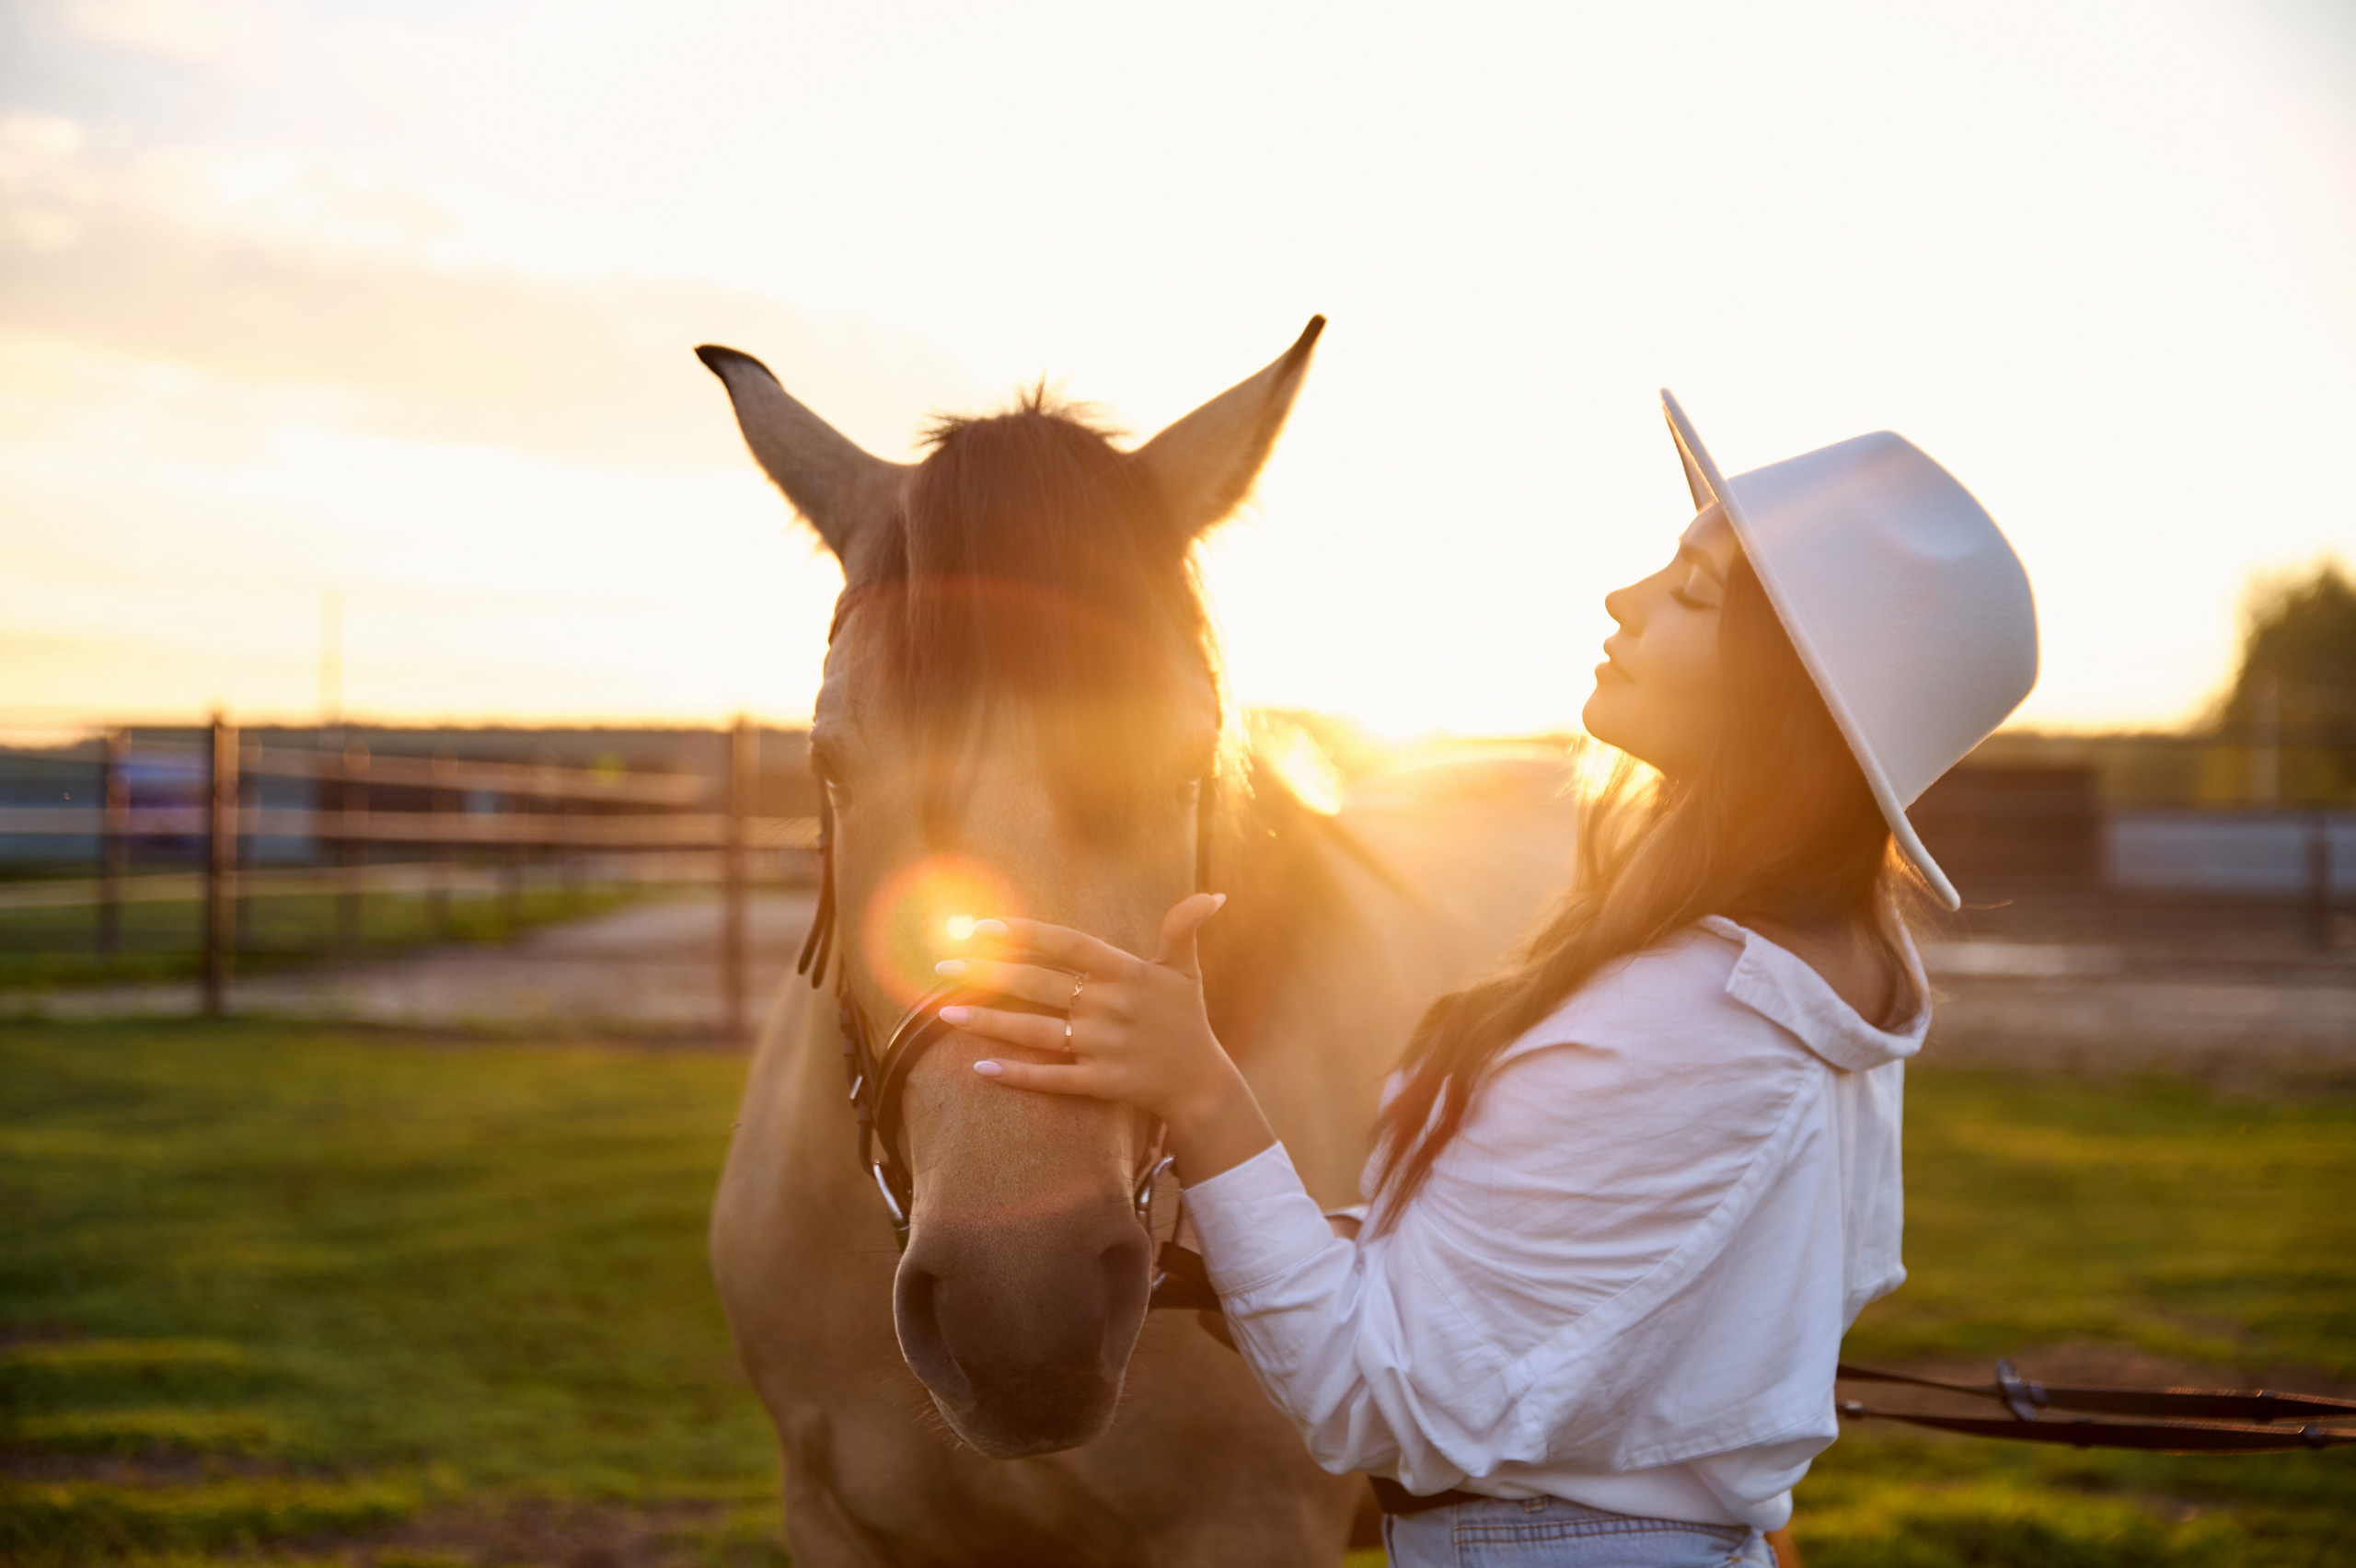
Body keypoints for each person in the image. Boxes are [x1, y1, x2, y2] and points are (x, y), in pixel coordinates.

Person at [935, 391, 2038, 1566]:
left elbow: (1376, 1404)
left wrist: (1198, 1089)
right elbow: (1566, 1297)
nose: (1627, 600)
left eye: (1693, 591)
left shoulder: (1680, 1029)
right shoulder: (1791, 993)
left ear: (1783, 698)